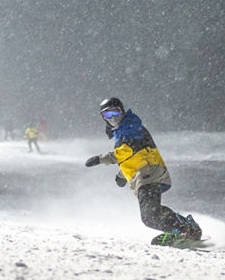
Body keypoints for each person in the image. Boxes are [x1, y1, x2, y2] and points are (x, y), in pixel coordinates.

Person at [85, 97, 202, 241]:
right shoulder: (122, 131)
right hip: (145, 174)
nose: (113, 118)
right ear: (103, 118)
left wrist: (101, 159)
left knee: (150, 216)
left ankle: (184, 230)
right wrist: (122, 175)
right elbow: (134, 157)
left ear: (122, 111)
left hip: (149, 174)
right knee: (151, 214)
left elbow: (127, 150)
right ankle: (185, 227)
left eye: (115, 112)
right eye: (108, 115)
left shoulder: (131, 126)